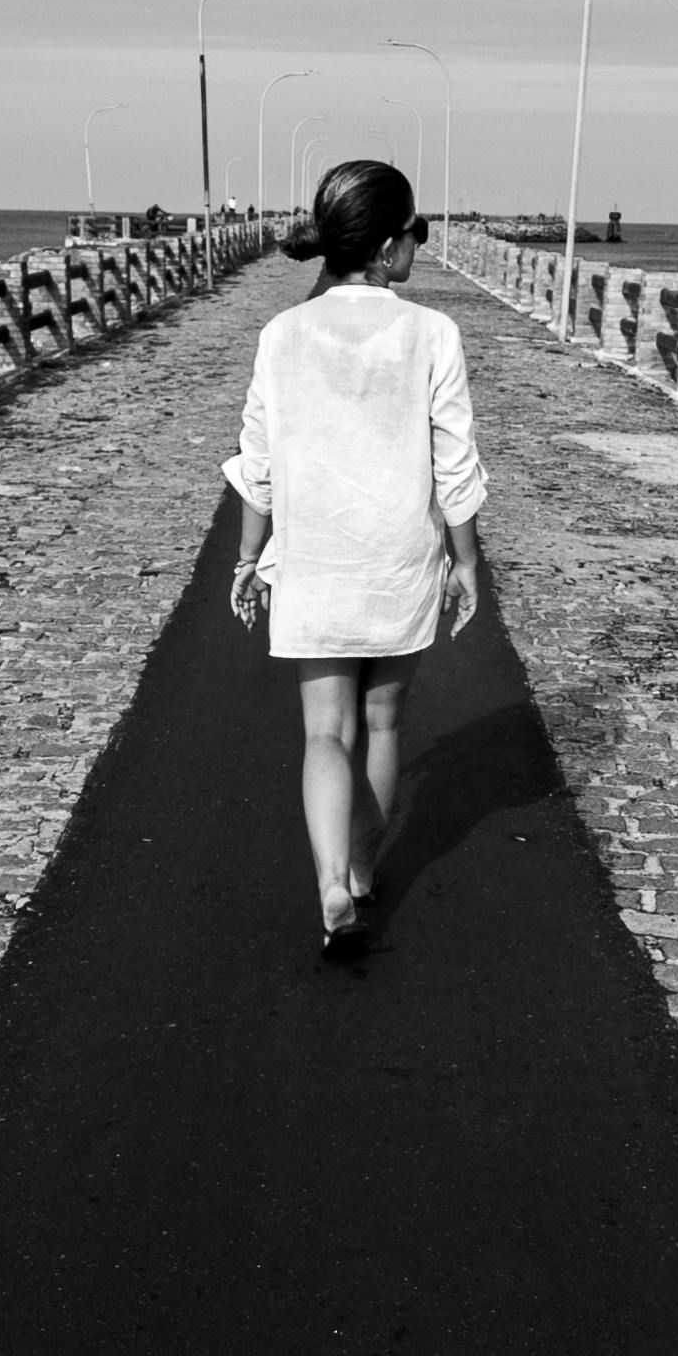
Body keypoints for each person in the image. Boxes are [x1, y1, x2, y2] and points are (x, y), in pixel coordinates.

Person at [225, 159, 486, 958]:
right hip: (399, 558)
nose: (417, 245)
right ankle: (367, 870)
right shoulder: (431, 333)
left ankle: (331, 880)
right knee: (382, 721)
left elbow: (258, 462)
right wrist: (467, 563)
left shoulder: (284, 334)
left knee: (324, 735)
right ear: (385, 244)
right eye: (413, 233)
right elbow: (455, 466)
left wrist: (247, 558)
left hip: (315, 560)